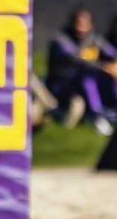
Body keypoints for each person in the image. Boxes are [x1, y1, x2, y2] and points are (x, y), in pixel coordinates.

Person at [46, 7, 117, 135]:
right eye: (78, 24)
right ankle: (97, 116)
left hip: (84, 84)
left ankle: (111, 110)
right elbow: (76, 60)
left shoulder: (94, 38)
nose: (81, 28)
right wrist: (104, 67)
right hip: (62, 85)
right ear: (72, 23)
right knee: (88, 77)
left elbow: (111, 52)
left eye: (85, 24)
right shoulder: (61, 40)